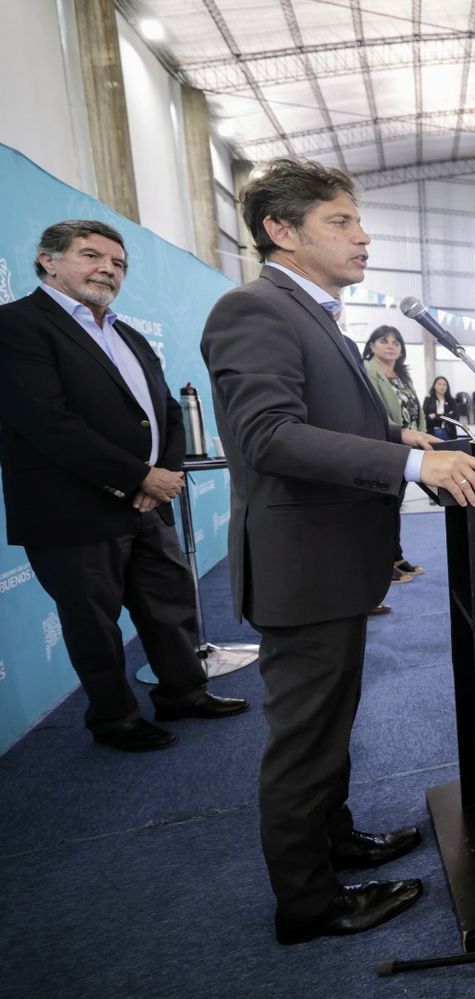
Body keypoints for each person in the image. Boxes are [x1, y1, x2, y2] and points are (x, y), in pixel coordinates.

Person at [201, 157, 475, 944]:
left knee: (332, 726)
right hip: (305, 569)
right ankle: (308, 903)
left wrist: (395, 432)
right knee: (304, 743)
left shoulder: (313, 314)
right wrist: (410, 464)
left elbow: (316, 415)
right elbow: (269, 435)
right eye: (340, 222)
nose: (362, 237)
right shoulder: (253, 310)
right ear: (281, 231)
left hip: (333, 564)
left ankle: (335, 842)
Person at [0, 218, 248, 751]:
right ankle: (114, 719)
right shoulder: (17, 325)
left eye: (117, 263)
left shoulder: (126, 332)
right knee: (94, 625)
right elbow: (46, 422)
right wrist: (139, 476)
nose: (107, 270)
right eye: (91, 256)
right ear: (48, 260)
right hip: (72, 511)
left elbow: (166, 412)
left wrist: (167, 472)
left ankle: (183, 692)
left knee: (169, 603)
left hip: (147, 503)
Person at [362, 326, 425, 582]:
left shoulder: (402, 375)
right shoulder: (367, 372)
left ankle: (396, 556)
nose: (391, 345)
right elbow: (374, 413)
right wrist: (400, 434)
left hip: (407, 448)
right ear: (372, 346)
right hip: (385, 445)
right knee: (380, 510)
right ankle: (381, 564)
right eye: (384, 341)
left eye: (396, 342)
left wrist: (420, 437)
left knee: (394, 506)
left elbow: (416, 411)